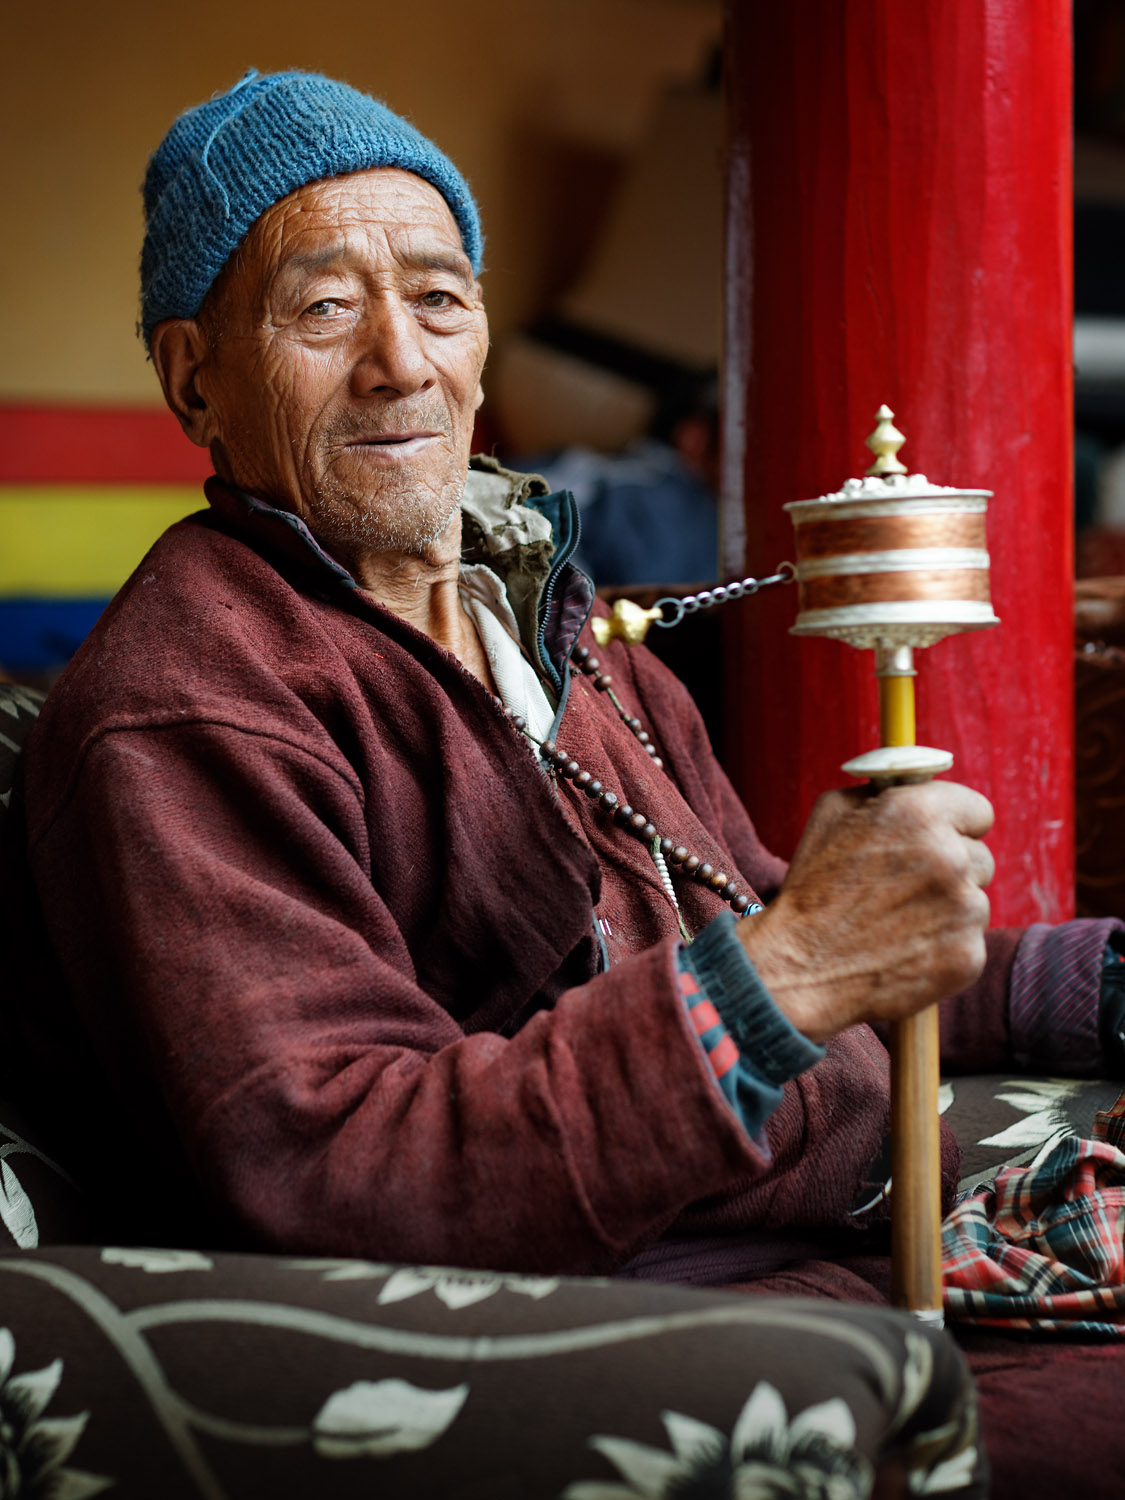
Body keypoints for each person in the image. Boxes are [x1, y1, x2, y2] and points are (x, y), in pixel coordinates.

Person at [7, 70, 1125, 1489]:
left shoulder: (532, 614)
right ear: (194, 377)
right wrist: (779, 979)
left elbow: (785, 920)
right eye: (323, 308)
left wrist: (1093, 985)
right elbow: (342, 1174)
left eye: (437, 298)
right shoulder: (190, 711)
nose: (399, 362)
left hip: (807, 1248)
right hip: (614, 1331)